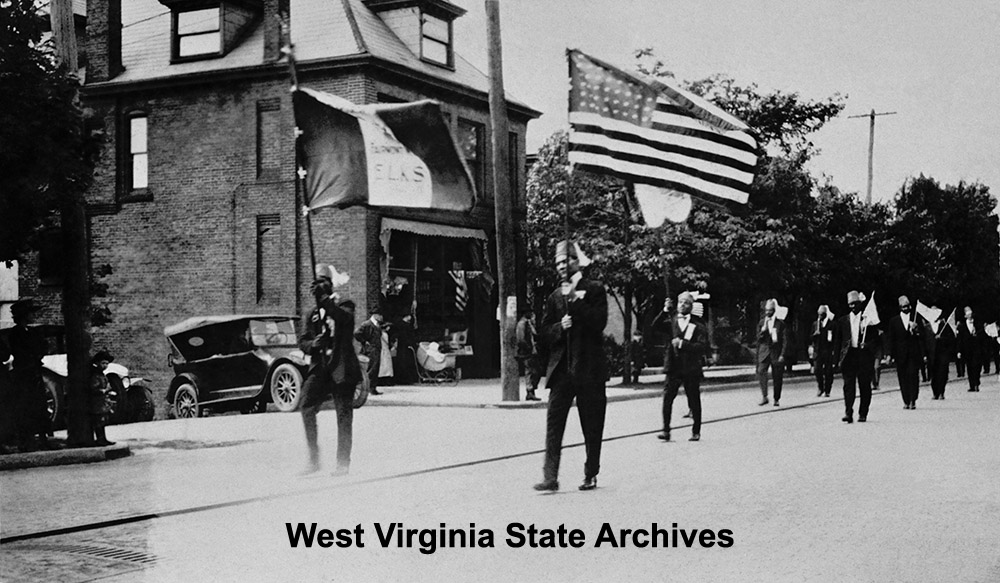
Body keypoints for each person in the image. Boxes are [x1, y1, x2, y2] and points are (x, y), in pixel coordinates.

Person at [533, 241, 608, 493]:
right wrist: (558, 328)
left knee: (592, 424)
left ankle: (590, 473)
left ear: (576, 261)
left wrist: (575, 300)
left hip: (589, 369)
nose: (561, 266)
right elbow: (543, 333)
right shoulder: (555, 296)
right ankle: (550, 476)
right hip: (562, 372)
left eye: (565, 261)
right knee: (554, 425)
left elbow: (599, 322)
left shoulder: (595, 289)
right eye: (557, 263)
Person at [298, 271, 362, 476]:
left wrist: (325, 299)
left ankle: (342, 462)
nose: (321, 287)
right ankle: (314, 459)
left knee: (343, 414)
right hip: (321, 367)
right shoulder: (312, 314)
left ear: (331, 285)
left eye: (325, 283)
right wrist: (312, 344)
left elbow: (342, 319)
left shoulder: (345, 305)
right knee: (306, 405)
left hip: (341, 366)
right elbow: (303, 340)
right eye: (318, 284)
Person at [651, 291, 706, 442]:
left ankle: (696, 431)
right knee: (667, 398)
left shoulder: (698, 324)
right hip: (673, 367)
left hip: (690, 367)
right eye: (680, 301)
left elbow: (701, 346)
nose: (682, 304)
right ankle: (666, 430)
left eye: (686, 302)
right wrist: (664, 311)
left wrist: (682, 344)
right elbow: (654, 327)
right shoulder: (671, 320)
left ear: (691, 306)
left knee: (694, 399)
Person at [8, 299, 52, 451]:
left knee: (40, 405)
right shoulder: (15, 334)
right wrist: (32, 358)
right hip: (23, 375)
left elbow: (43, 347)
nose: (33, 316)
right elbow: (20, 353)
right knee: (25, 407)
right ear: (23, 315)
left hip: (34, 372)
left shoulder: (33, 332)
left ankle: (43, 438)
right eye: (31, 313)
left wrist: (36, 357)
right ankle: (26, 440)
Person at [834, 290, 880, 423]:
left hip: (864, 357)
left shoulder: (868, 321)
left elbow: (876, 340)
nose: (853, 307)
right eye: (850, 305)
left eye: (855, 304)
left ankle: (863, 413)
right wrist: (836, 360)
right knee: (848, 386)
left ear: (860, 304)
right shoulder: (843, 321)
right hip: (849, 357)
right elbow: (838, 342)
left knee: (864, 385)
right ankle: (848, 412)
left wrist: (867, 345)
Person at [883, 296, 924, 410]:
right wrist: (889, 354)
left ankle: (913, 399)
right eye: (903, 307)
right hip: (900, 354)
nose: (906, 308)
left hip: (913, 353)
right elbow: (891, 339)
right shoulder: (894, 321)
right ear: (900, 307)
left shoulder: (916, 318)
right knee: (903, 377)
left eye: (907, 306)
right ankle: (906, 400)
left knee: (913, 376)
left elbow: (923, 335)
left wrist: (916, 330)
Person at [755, 299, 787, 406]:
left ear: (773, 310)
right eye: (766, 310)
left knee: (777, 376)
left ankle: (776, 398)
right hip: (764, 352)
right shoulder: (761, 322)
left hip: (776, 353)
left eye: (769, 310)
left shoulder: (780, 323)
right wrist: (763, 331)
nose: (767, 313)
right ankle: (764, 396)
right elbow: (758, 339)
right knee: (761, 371)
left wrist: (782, 354)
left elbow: (785, 340)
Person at [924, 308, 954, 400]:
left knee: (942, 373)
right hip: (932, 355)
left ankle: (941, 392)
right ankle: (935, 392)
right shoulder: (927, 327)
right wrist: (924, 355)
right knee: (933, 374)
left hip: (943, 354)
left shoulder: (944, 325)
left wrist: (942, 338)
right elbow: (924, 342)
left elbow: (951, 339)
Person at [88, 350, 116, 446]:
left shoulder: (101, 374)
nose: (105, 366)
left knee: (103, 421)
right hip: (96, 402)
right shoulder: (95, 375)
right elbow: (93, 388)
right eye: (103, 363)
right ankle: (100, 439)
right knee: (98, 422)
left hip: (102, 402)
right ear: (97, 363)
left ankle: (103, 438)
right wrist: (104, 390)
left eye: (107, 364)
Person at [355, 310, 384, 395]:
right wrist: (364, 341)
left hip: (376, 349)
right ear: (375, 315)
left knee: (375, 368)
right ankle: (369, 388)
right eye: (379, 315)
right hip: (371, 349)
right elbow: (357, 333)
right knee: (371, 368)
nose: (381, 317)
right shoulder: (367, 324)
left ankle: (372, 387)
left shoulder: (376, 324)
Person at [515, 309, 542, 401]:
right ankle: (530, 391)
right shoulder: (522, 324)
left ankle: (531, 390)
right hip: (527, 352)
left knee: (535, 371)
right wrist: (528, 348)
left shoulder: (528, 324)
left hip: (531, 351)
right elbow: (521, 339)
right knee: (530, 371)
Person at [810, 305, 836, 397]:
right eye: (818, 314)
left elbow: (834, 338)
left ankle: (827, 389)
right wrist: (814, 335)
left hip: (827, 350)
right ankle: (820, 387)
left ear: (825, 314)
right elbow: (810, 338)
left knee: (828, 371)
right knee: (817, 370)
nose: (819, 316)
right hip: (818, 351)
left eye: (822, 314)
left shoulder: (831, 324)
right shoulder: (815, 324)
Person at [956, 306, 983, 392]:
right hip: (967, 350)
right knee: (970, 367)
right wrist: (959, 351)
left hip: (977, 349)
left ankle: (977, 382)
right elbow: (960, 340)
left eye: (970, 314)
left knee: (977, 366)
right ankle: (972, 385)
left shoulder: (978, 324)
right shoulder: (962, 326)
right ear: (965, 316)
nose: (970, 315)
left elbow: (983, 337)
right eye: (968, 314)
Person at [390, 314, 417, 384]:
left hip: (402, 347)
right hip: (404, 347)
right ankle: (405, 379)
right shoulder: (405, 326)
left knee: (402, 362)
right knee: (404, 362)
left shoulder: (400, 325)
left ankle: (402, 379)